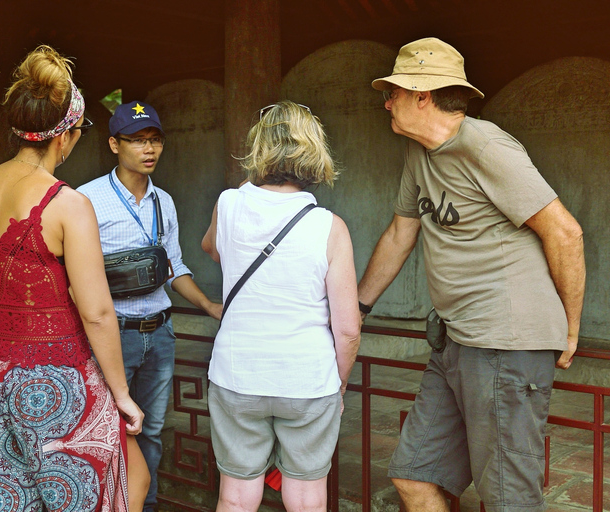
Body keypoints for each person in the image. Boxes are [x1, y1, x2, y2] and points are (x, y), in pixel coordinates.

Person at [358, 37, 586, 512]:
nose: (387, 102)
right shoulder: (419, 154)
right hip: (457, 340)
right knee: (414, 478)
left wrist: (570, 328)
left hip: (506, 341)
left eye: (394, 92)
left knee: (507, 498)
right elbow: (401, 234)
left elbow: (565, 232)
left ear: (423, 94)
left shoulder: (487, 145)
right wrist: (357, 308)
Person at [0, 45, 144, 512]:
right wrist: (121, 393)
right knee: (111, 488)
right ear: (65, 136)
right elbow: (98, 312)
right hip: (55, 378)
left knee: (12, 500)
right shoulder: (66, 204)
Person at [201, 101, 361, 512]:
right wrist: (338, 383)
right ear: (313, 151)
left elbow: (211, 249)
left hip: (237, 374)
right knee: (307, 496)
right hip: (307, 379)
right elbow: (347, 329)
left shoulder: (229, 204)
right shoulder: (329, 226)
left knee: (235, 496)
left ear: (259, 147)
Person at [77, 101, 222, 511]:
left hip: (159, 333)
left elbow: (175, 266)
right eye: (138, 141)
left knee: (152, 431)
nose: (149, 149)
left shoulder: (165, 202)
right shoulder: (87, 199)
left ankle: (146, 504)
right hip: (111, 333)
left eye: (155, 140)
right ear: (113, 144)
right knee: (107, 428)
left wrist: (210, 305)